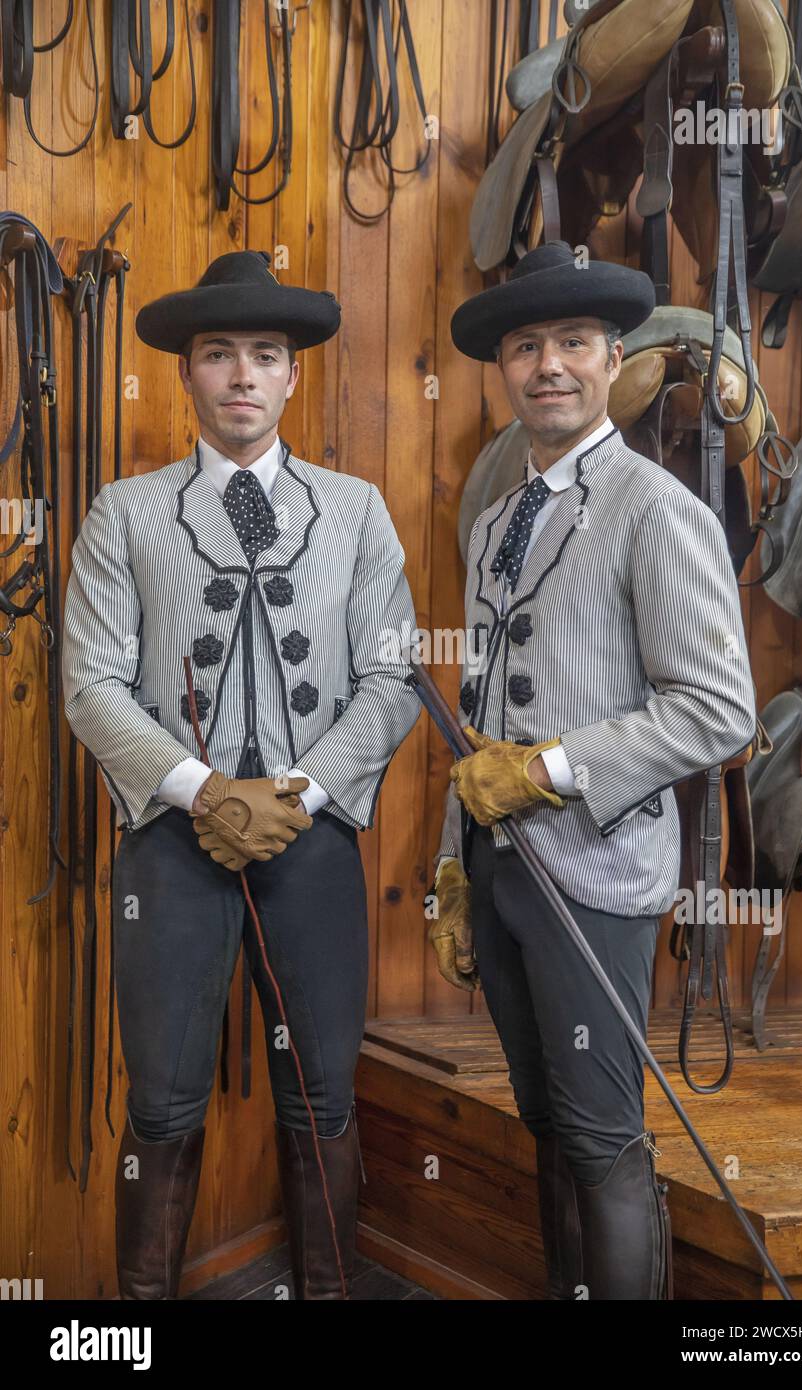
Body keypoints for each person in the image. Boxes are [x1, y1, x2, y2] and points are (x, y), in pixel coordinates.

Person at [62, 249, 420, 1300]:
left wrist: (297, 793)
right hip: (174, 840)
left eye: (264, 355)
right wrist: (201, 790)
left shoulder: (355, 513)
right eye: (219, 355)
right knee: (164, 1101)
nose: (241, 377)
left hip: (311, 841)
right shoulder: (123, 513)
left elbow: (389, 682)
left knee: (320, 1095)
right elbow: (91, 685)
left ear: (293, 375)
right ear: (186, 374)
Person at [430, 241, 756, 1300]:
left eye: (570, 342)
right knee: (546, 1122)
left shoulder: (657, 511)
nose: (547, 366)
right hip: (500, 876)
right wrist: (449, 864)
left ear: (612, 356)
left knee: (605, 1135)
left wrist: (552, 769)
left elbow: (718, 708)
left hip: (597, 878)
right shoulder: (491, 525)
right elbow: (477, 712)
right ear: (502, 369)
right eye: (524, 346)